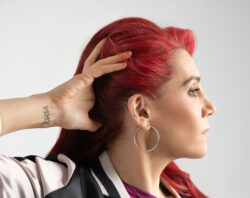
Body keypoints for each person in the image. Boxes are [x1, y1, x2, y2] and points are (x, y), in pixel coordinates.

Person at [0, 17, 216, 198]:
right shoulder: (51, 187)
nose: (210, 107)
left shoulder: (185, 191)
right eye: (193, 90)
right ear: (141, 111)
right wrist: (50, 107)